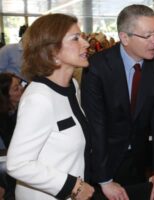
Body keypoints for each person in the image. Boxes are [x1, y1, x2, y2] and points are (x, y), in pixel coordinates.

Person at [81, 4, 154, 200]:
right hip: (103, 160)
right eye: (148, 36)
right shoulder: (97, 67)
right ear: (124, 37)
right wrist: (105, 180)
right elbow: (96, 126)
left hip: (139, 160)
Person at [6, 13, 95, 200]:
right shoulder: (39, 98)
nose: (86, 44)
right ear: (52, 52)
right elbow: (17, 164)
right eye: (75, 38)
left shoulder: (73, 86)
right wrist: (73, 186)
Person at [0, 72, 24, 200]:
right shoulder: (3, 118)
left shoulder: (20, 108)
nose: (22, 88)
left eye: (20, 84)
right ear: (5, 95)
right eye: (16, 88)